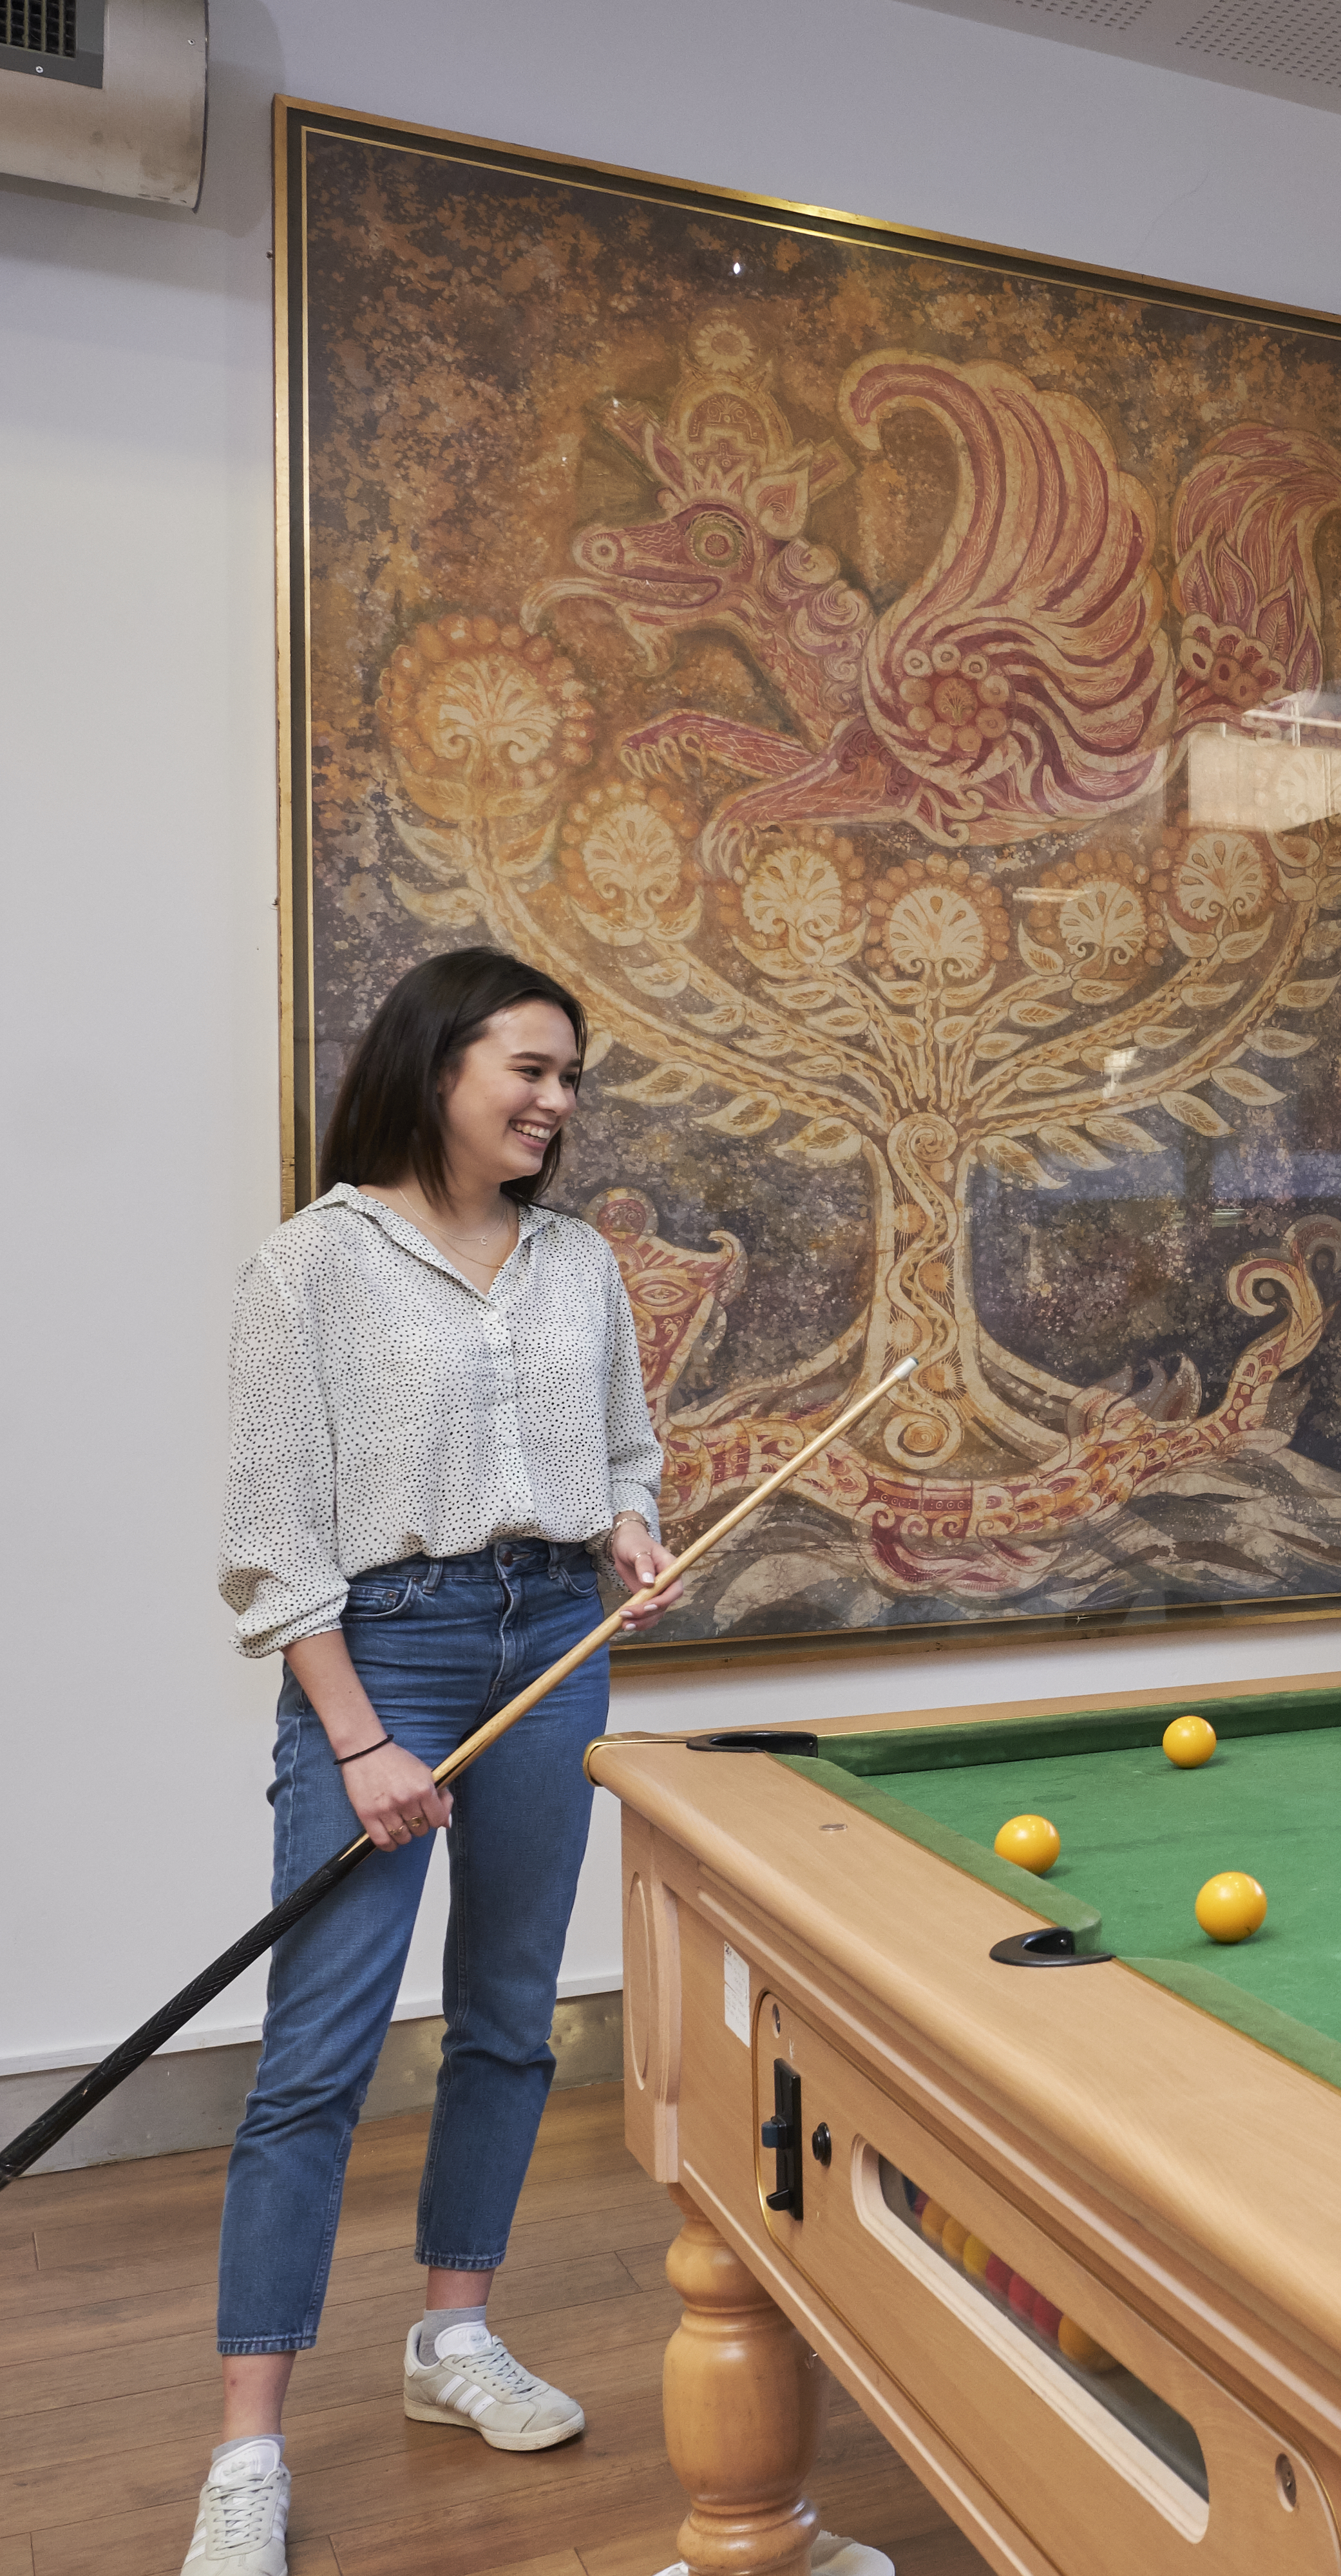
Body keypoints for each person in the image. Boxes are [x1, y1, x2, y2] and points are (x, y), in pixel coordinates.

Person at [185, 949, 678, 2576]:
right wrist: (357, 1733)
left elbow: (622, 1451)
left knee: (510, 2018)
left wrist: (630, 1528)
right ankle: (246, 2446)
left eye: (569, 1078)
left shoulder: (579, 1261)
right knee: (315, 2057)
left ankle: (451, 2335)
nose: (554, 1102)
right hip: (379, 1647)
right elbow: (270, 1540)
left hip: (549, 1641)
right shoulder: (310, 1268)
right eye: (527, 1068)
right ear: (437, 1061)